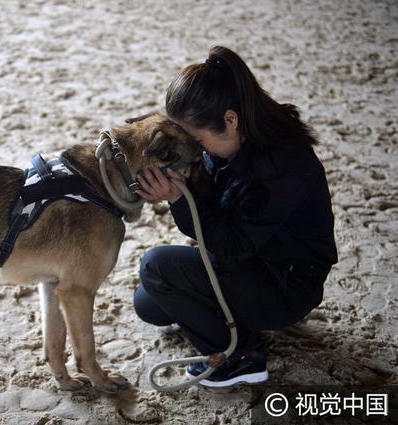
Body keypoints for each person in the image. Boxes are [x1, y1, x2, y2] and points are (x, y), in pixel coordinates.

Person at [133, 46, 338, 388]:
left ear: (230, 119)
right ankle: (236, 322)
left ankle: (241, 356)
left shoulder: (282, 167)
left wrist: (177, 199)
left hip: (283, 286)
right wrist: (181, 189)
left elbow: (227, 246)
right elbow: (212, 216)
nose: (194, 150)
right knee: (148, 303)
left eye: (197, 140)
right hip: (249, 262)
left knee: (156, 267)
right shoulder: (233, 141)